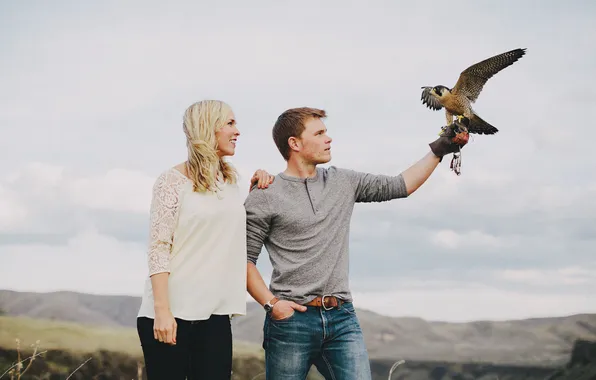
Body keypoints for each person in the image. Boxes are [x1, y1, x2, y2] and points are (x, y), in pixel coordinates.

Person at [244, 107, 469, 380]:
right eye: (319, 133)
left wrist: (439, 150)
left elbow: (399, 185)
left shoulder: (342, 181)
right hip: (291, 322)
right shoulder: (265, 195)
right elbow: (243, 260)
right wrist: (272, 305)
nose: (329, 138)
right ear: (295, 143)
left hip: (342, 319)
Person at [136, 99, 274, 380]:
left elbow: (226, 229)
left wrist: (257, 189)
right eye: (230, 123)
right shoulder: (171, 181)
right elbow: (159, 248)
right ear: (208, 127)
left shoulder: (230, 181)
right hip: (171, 313)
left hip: (215, 314)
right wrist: (163, 312)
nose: (238, 131)